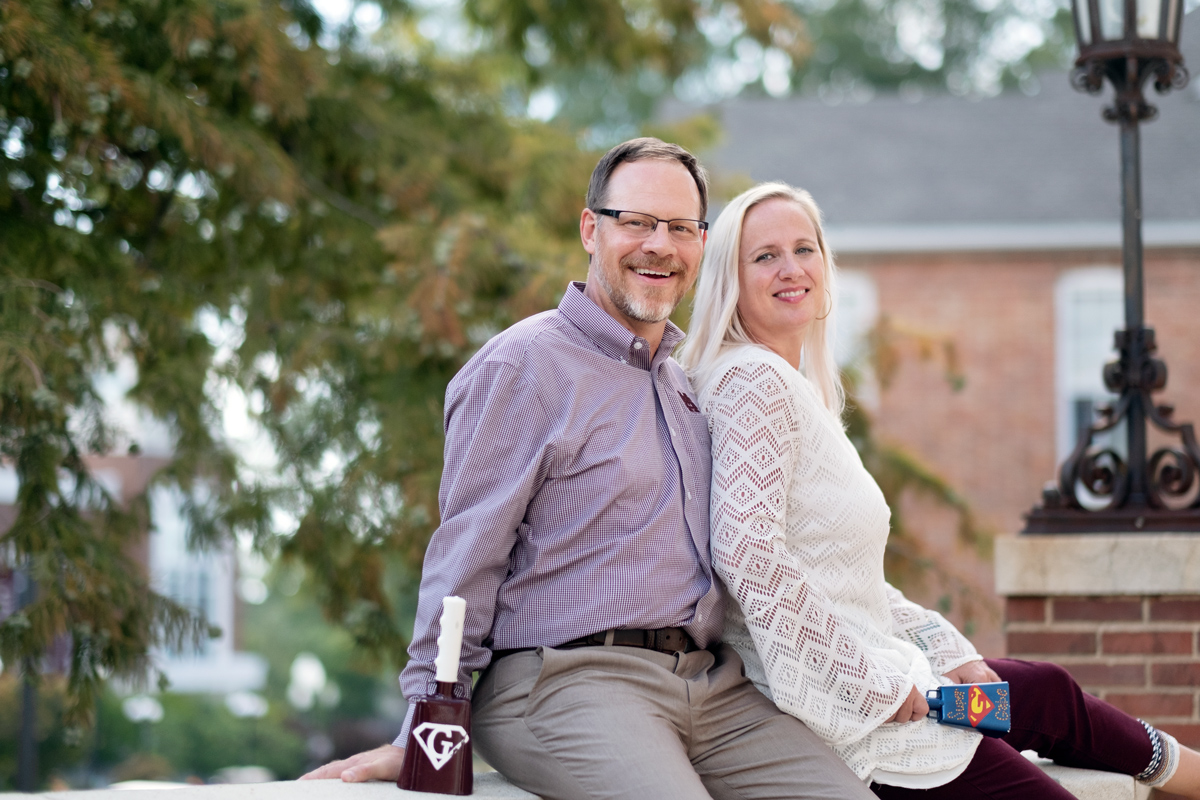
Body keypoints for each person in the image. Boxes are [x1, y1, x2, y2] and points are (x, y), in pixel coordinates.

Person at [301, 141, 873, 800]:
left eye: (679, 228)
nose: (658, 244)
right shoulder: (524, 368)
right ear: (589, 229)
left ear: (700, 243)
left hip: (709, 686)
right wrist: (424, 726)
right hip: (562, 682)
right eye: (636, 222)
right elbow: (464, 561)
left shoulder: (690, 381)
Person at [679, 180, 1200, 800]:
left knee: (1041, 695)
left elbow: (843, 572)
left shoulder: (787, 386)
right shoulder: (752, 382)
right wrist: (865, 684)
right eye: (765, 256)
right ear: (729, 278)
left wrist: (939, 645)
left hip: (898, 673)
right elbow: (747, 554)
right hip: (857, 713)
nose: (791, 269)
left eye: (804, 248)